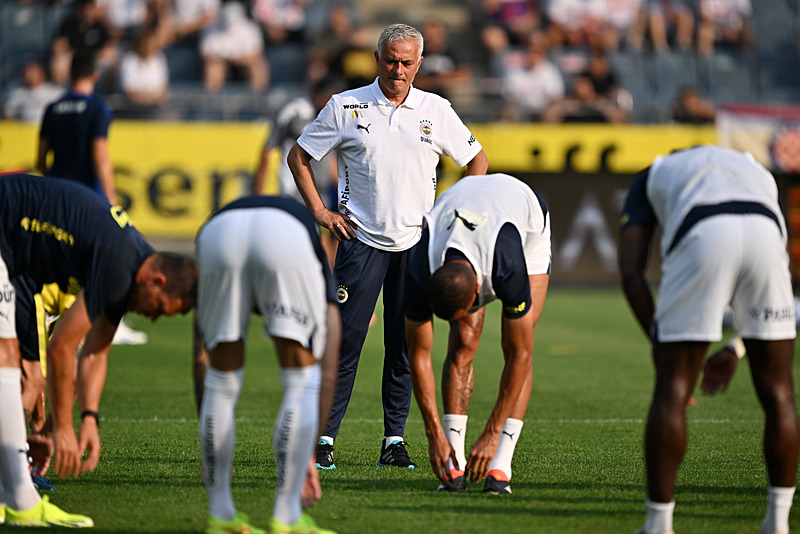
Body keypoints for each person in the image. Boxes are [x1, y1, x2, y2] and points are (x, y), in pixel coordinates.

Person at [288, 23, 488, 471]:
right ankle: (324, 438)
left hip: (416, 245)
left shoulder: (435, 109)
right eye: (390, 60)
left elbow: (477, 159)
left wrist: (450, 214)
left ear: (420, 63)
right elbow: (299, 156)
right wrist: (321, 211)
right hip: (359, 240)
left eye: (407, 62)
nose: (398, 70)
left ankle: (393, 440)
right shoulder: (345, 105)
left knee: (405, 346)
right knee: (345, 343)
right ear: (378, 60)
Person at [618, 145, 798, 534]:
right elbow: (760, 249)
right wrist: (739, 344)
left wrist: (661, 341)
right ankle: (778, 522)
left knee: (673, 389)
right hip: (767, 233)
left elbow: (631, 271)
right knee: (780, 392)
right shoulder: (752, 166)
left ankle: (658, 524)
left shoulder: (656, 170)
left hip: (703, 231)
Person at [0, 173, 197, 527]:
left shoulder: (130, 266)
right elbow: (62, 346)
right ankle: (16, 496)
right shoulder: (121, 266)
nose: (152, 319)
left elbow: (94, 352)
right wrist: (61, 428)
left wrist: (88, 417)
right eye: (161, 309)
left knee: (26, 375)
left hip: (18, 262)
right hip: (5, 228)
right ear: (157, 282)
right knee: (13, 365)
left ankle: (14, 493)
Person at [195, 195, 339, 534]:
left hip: (216, 230)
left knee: (221, 380)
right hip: (283, 235)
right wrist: (309, 451)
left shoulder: (226, 220)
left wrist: (210, 458)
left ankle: (220, 515)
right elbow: (329, 367)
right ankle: (286, 516)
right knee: (302, 380)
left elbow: (199, 357)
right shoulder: (310, 242)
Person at [403, 173, 550, 494]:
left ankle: (501, 465)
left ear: (477, 295)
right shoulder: (418, 267)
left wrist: (492, 433)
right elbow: (419, 353)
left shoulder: (507, 266)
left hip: (523, 219)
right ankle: (452, 459)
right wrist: (433, 435)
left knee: (517, 346)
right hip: (461, 209)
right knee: (463, 342)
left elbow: (520, 356)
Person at [38, 50, 117, 205]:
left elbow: (41, 159)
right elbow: (100, 157)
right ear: (95, 75)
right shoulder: (97, 109)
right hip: (87, 194)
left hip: (58, 192)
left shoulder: (52, 108)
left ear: (70, 74)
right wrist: (111, 198)